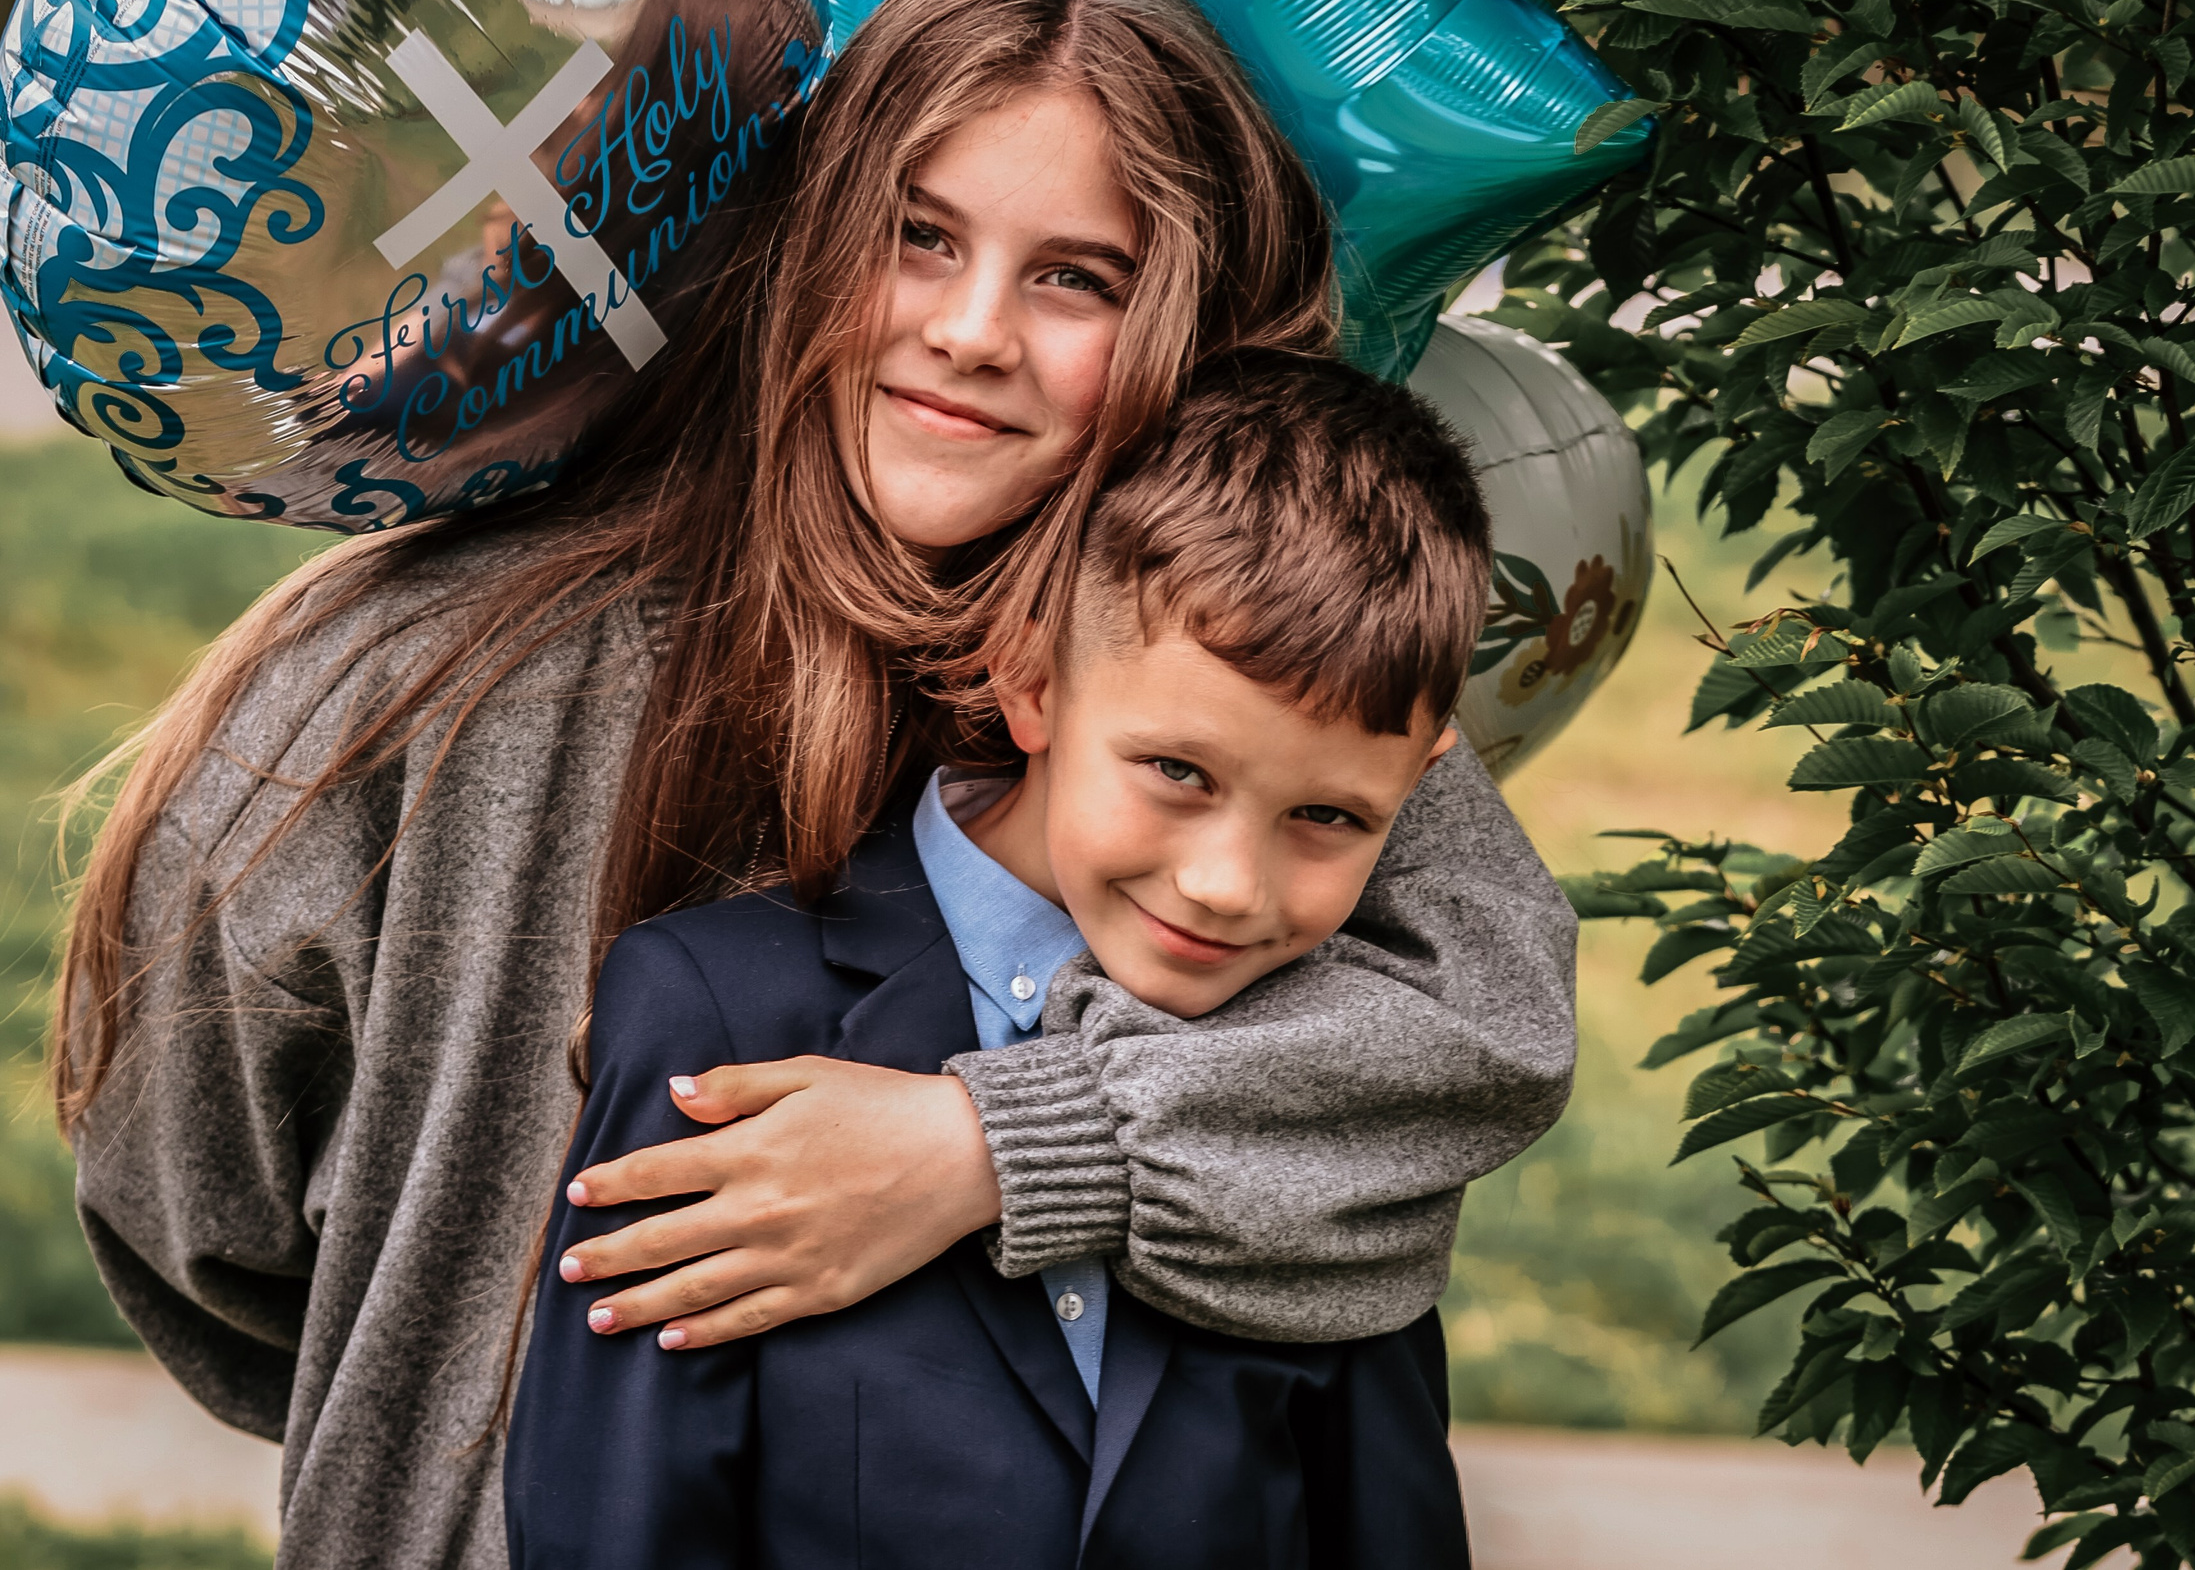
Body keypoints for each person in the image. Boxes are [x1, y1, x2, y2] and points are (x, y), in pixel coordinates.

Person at [55, 0, 1575, 1570]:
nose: (973, 330)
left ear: (1195, 328)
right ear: (809, 236)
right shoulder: (401, 681)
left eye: (1078, 277)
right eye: (919, 237)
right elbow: (190, 1213)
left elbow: (1478, 1025)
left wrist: (985, 1145)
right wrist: (438, 1388)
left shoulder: (1223, 719)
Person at [507, 353, 1490, 1569]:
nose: (1227, 887)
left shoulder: (1330, 1077)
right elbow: (619, 1528)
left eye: (1329, 819)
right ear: (1030, 681)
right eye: (1178, 773)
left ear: (1422, 780)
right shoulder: (718, 1010)